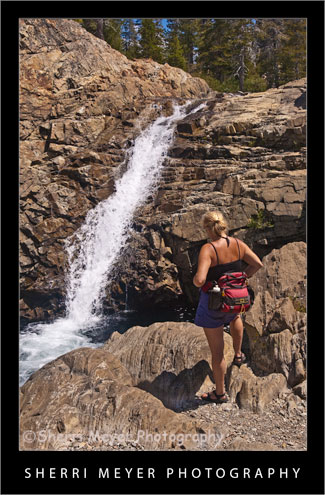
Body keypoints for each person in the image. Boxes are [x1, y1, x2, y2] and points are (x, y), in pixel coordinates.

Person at [193, 211, 263, 404]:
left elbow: (200, 280)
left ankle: (220, 393)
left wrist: (195, 280)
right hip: (235, 299)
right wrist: (241, 278)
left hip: (214, 303)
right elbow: (257, 263)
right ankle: (239, 354)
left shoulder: (208, 249)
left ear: (208, 228)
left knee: (217, 353)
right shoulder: (238, 244)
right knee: (235, 318)